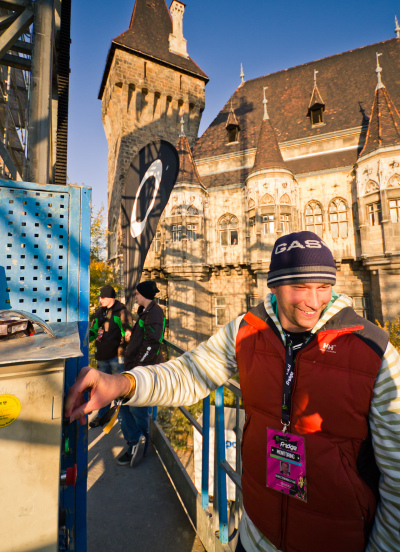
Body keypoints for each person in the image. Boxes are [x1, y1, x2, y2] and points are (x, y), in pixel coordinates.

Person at [66, 232, 400, 552]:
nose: (314, 301)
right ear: (274, 285)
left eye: (324, 286)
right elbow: (190, 373)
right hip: (256, 535)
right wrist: (123, 384)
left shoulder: (374, 351)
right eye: (300, 287)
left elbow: (397, 477)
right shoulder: (246, 330)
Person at [116, 280, 166, 467]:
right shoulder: (146, 312)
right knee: (125, 405)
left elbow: (153, 342)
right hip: (135, 369)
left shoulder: (155, 313)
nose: (135, 296)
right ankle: (135, 442)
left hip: (142, 372)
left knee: (138, 410)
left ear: (144, 294)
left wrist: (139, 367)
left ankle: (140, 445)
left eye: (137, 293)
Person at [88, 285, 132, 428]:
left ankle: (124, 418)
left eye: (102, 297)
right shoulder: (99, 312)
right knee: (102, 389)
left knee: (120, 390)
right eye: (99, 297)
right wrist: (84, 339)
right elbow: (94, 330)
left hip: (116, 358)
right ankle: (102, 416)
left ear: (110, 297)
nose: (100, 300)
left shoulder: (122, 312)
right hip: (102, 356)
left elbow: (127, 329)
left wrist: (128, 334)